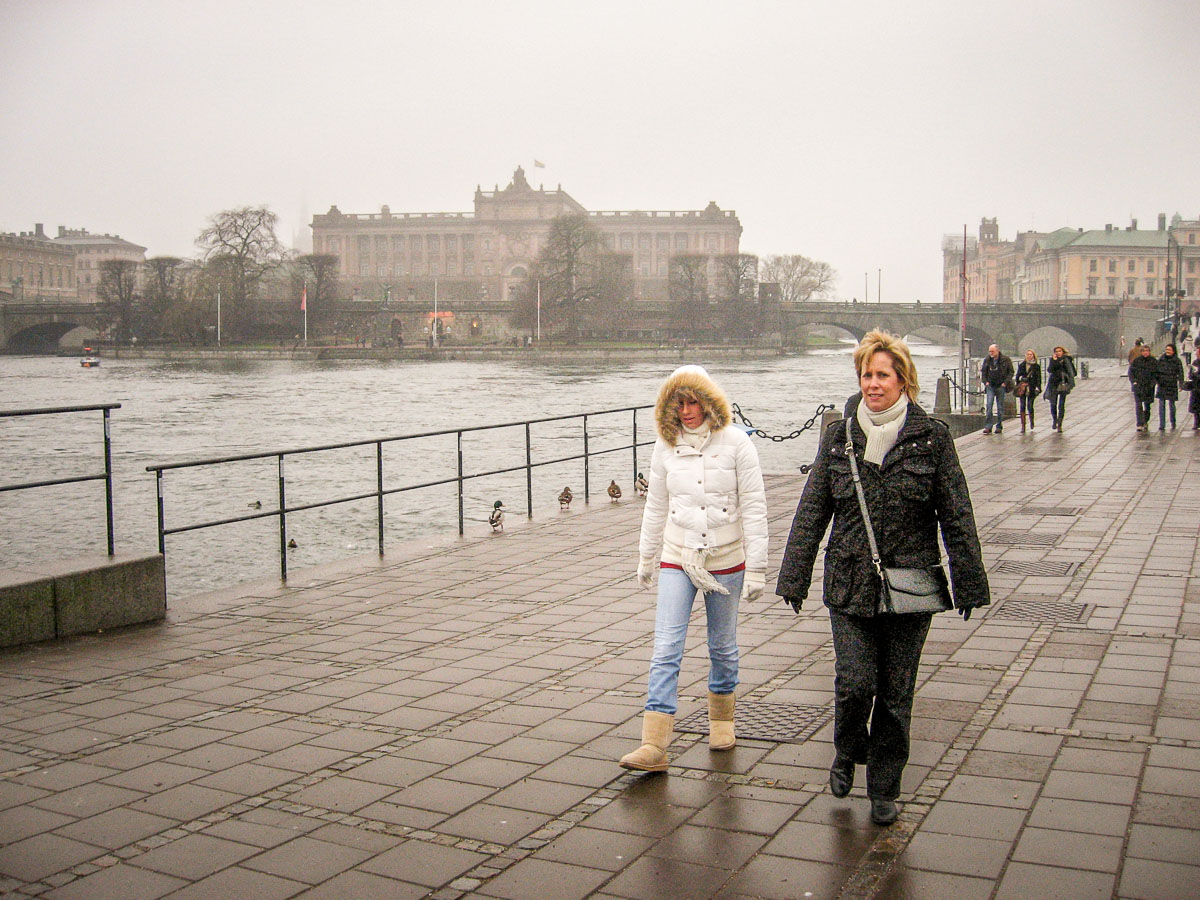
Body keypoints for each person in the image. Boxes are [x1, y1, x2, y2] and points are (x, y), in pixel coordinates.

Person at [776, 331, 989, 826]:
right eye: (866, 375)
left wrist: (969, 581)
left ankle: (885, 787)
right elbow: (812, 513)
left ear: (902, 380)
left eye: (882, 375)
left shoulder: (932, 437)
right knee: (854, 683)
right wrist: (794, 577)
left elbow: (956, 514)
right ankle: (848, 749)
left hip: (911, 585)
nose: (872, 384)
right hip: (850, 582)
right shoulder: (839, 437)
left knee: (896, 694)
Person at [622, 365, 768, 772]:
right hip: (677, 555)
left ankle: (722, 717)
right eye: (678, 403)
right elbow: (655, 505)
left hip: (726, 559)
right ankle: (654, 744)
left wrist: (757, 568)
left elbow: (755, 507)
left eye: (692, 401)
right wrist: (646, 557)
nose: (686, 411)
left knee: (722, 645)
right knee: (666, 647)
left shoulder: (738, 444)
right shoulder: (664, 447)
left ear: (708, 401)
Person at [980, 344, 1013, 434]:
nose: (991, 353)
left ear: (997, 351)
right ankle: (988, 426)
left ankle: (999, 426)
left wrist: (1005, 383)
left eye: (992, 351)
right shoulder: (987, 360)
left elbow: (1011, 372)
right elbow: (983, 372)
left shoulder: (1005, 360)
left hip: (1000, 385)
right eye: (989, 351)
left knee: (1000, 407)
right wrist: (985, 382)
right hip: (990, 385)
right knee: (989, 405)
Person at [1045, 346, 1076, 431]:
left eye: (1059, 351)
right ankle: (1055, 420)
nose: (1058, 353)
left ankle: (1060, 424)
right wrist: (1054, 361)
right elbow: (1050, 370)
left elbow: (1073, 372)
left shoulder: (1067, 360)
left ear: (1063, 352)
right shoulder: (1053, 360)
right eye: (1056, 351)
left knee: (1061, 405)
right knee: (1053, 404)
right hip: (1053, 384)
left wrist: (1067, 378)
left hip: (1063, 384)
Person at [1156, 343, 1185, 431]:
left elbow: (1180, 373)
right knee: (1161, 404)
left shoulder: (1177, 361)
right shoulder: (1161, 359)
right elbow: (1156, 371)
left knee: (1172, 405)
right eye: (1166, 349)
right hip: (1162, 384)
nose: (1167, 351)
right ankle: (1162, 424)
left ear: (1173, 351)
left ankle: (1173, 422)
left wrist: (1181, 384)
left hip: (1172, 384)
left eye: (1169, 350)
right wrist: (1156, 380)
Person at [1129, 343, 1157, 432]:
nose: (1145, 353)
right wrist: (1134, 382)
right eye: (1143, 351)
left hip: (1149, 387)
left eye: (1147, 351)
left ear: (1149, 352)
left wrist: (1153, 383)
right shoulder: (1136, 361)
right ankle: (1139, 423)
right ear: (1141, 352)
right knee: (1138, 405)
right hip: (1138, 386)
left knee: (1147, 406)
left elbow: (1156, 373)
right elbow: (1131, 372)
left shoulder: (1153, 361)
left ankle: (1145, 420)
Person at [1015, 349, 1042, 433]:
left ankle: (1031, 421)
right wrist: (1021, 379)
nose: (1029, 356)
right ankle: (1023, 425)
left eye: (1031, 355)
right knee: (1022, 405)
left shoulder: (1036, 366)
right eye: (1028, 354)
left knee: (1030, 405)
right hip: (1023, 388)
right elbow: (1017, 376)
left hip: (1032, 388)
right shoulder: (1022, 365)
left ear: (1033, 356)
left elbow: (1038, 378)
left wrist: (1038, 387)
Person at [1188, 353, 1200, 430]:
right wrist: (1193, 374)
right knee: (1196, 407)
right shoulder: (1195, 363)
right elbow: (1190, 375)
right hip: (1196, 387)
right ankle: (1196, 422)